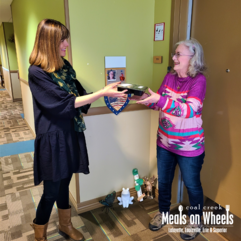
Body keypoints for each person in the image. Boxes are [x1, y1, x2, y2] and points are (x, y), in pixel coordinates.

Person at [28, 19, 126, 241]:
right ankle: (39, 230)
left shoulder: (64, 67)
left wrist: (106, 89)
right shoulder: (37, 72)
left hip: (70, 132)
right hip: (52, 137)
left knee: (65, 183)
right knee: (51, 190)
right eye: (62, 40)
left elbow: (79, 94)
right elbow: (64, 102)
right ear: (49, 42)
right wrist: (102, 93)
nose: (66, 45)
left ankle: (66, 225)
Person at [130, 39, 207, 240]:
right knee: (164, 182)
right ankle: (163, 212)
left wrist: (160, 100)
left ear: (192, 58)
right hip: (164, 143)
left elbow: (189, 110)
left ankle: (195, 220)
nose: (174, 57)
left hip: (190, 147)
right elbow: (159, 105)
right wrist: (141, 98)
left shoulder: (199, 81)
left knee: (192, 185)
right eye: (175, 54)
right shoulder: (169, 77)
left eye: (178, 54)